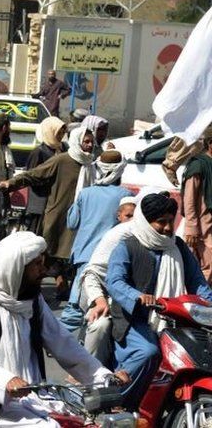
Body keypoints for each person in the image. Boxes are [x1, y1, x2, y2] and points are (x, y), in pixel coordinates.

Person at [0, 232, 125, 427]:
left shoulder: (34, 301)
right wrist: (5, 380)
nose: (43, 270)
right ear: (16, 268)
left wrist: (104, 377)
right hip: (0, 406)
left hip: (37, 397)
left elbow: (65, 345)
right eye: (37, 264)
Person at [107, 193, 212, 406]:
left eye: (170, 222)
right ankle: (117, 400)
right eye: (160, 222)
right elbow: (114, 282)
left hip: (174, 318)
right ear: (146, 222)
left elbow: (198, 283)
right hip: (134, 319)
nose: (167, 228)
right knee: (149, 352)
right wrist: (137, 297)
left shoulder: (179, 247)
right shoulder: (127, 245)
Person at [0, 126, 97, 293]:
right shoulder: (62, 160)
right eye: (86, 141)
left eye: (91, 142)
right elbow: (35, 174)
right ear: (76, 141)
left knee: (74, 254)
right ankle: (32, 290)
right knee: (48, 253)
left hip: (82, 218)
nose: (89, 145)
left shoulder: (91, 165)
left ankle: (66, 288)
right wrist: (12, 183)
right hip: (58, 216)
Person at [60, 151, 132, 333]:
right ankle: (61, 341)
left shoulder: (86, 193)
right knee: (91, 304)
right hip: (111, 258)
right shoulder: (126, 196)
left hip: (85, 255)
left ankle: (67, 340)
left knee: (80, 301)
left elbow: (72, 222)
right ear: (120, 171)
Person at [78, 195, 138, 365]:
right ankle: (86, 371)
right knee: (101, 326)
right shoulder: (117, 236)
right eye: (128, 216)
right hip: (102, 296)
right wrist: (100, 301)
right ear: (118, 216)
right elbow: (93, 273)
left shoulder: (165, 243)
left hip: (134, 303)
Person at [23, 116, 67, 232]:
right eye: (58, 132)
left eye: (62, 132)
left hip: (57, 200)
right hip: (40, 203)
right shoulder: (39, 152)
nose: (61, 135)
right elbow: (30, 176)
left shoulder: (63, 149)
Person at [181, 133, 212, 281]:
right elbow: (190, 198)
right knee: (208, 268)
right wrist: (191, 227)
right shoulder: (199, 165)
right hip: (203, 225)